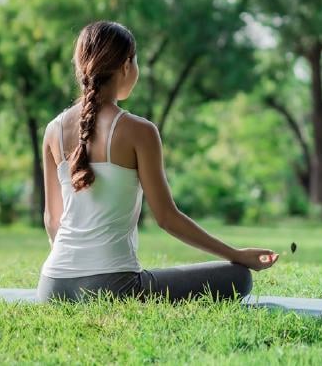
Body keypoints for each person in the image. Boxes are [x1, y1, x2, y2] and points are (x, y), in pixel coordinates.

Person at [37, 20, 279, 304]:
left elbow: (52, 219)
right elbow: (167, 218)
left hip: (52, 287)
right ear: (126, 66)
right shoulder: (140, 131)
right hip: (114, 287)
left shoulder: (53, 130)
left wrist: (73, 270)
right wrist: (236, 255)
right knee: (238, 277)